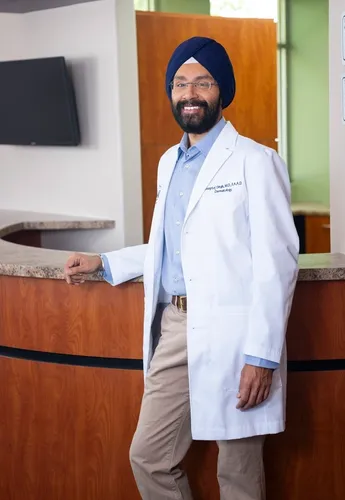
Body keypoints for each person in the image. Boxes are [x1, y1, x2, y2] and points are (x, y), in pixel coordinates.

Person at [64, 36, 299, 500]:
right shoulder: (169, 161)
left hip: (236, 334)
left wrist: (262, 356)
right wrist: (104, 261)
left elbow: (277, 264)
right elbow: (169, 245)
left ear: (221, 91)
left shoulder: (256, 161)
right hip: (175, 326)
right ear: (171, 92)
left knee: (237, 474)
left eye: (203, 82)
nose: (190, 94)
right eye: (180, 83)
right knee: (149, 455)